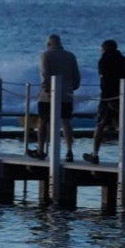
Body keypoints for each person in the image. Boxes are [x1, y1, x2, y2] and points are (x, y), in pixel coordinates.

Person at [27, 34, 80, 162]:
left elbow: (45, 74)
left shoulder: (45, 55)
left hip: (48, 95)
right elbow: (76, 77)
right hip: (66, 94)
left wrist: (46, 89)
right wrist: (72, 88)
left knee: (43, 121)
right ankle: (69, 151)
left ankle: (41, 150)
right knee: (66, 121)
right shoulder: (70, 55)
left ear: (49, 44)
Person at [83, 39, 125, 164]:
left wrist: (108, 98)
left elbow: (104, 81)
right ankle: (124, 156)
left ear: (104, 49)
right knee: (124, 126)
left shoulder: (104, 60)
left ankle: (95, 154)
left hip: (108, 98)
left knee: (100, 125)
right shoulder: (124, 60)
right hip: (123, 97)